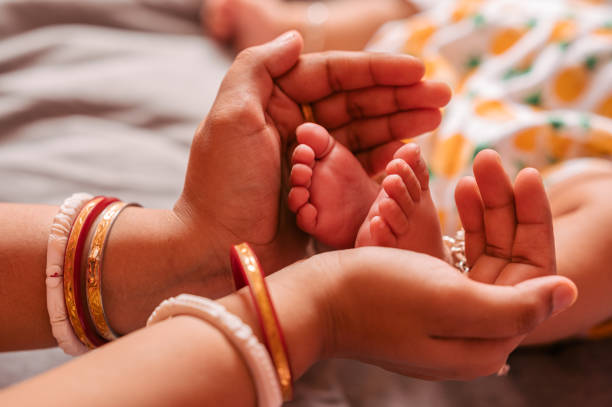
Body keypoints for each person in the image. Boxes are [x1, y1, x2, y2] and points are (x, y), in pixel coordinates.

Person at [0, 33, 578, 405]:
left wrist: (191, 251)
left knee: (588, 209)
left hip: (551, 141)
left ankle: (463, 283)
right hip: (483, 116)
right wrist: (320, 307)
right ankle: (462, 287)